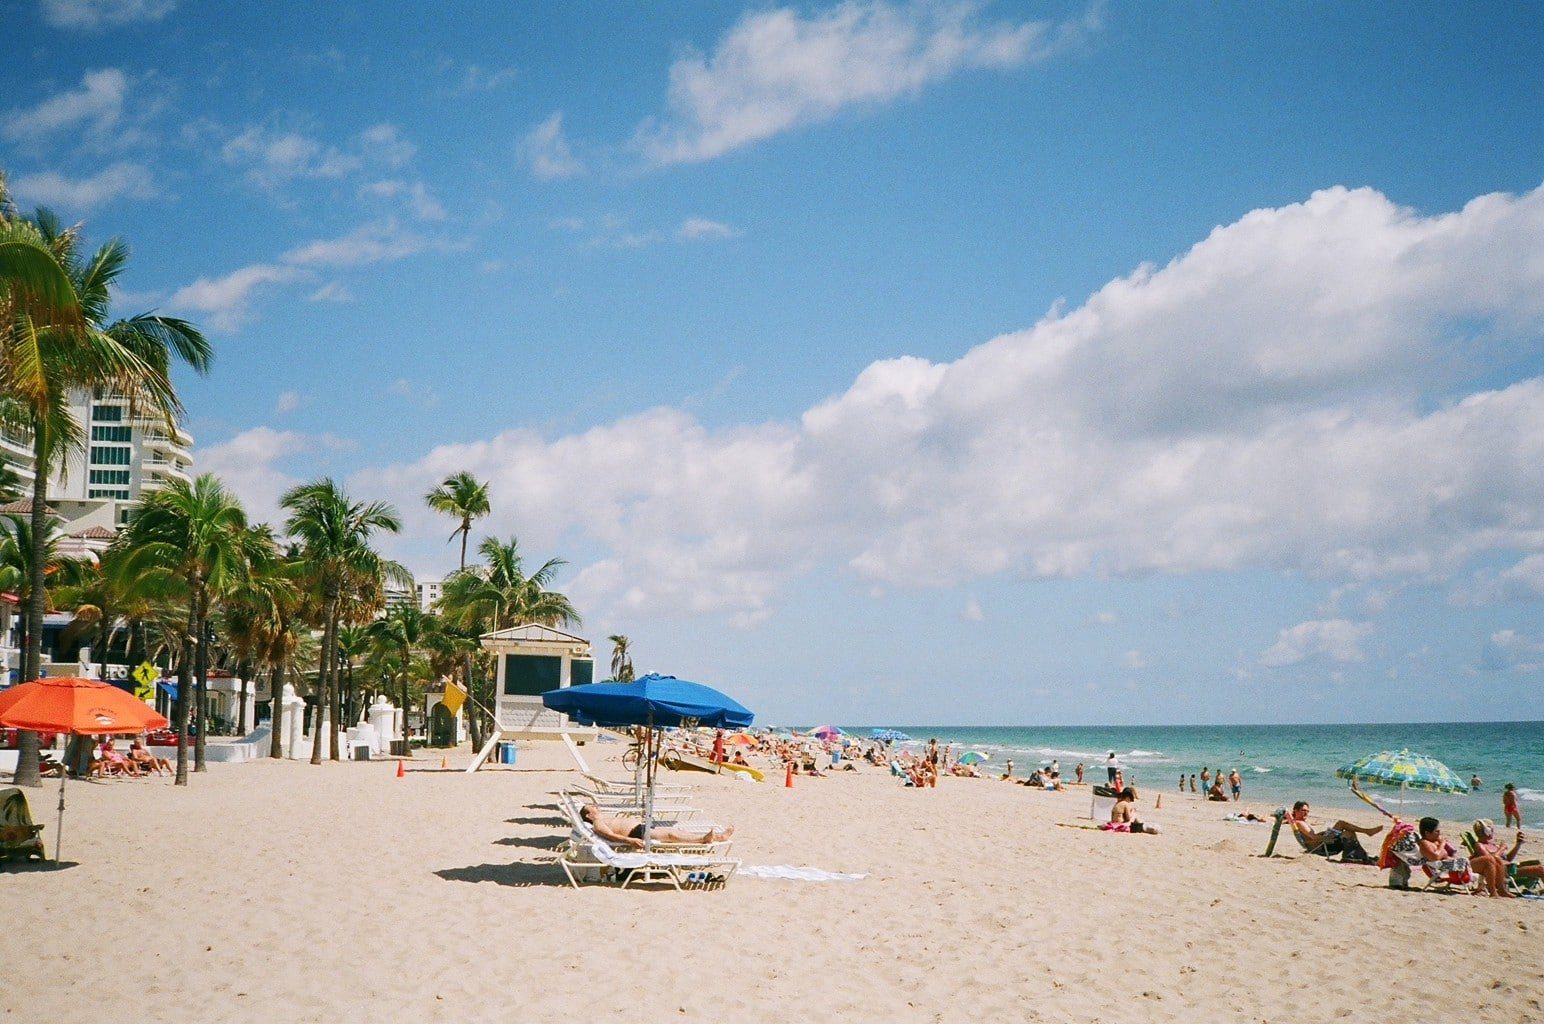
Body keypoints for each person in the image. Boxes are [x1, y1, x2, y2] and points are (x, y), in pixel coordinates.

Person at [578, 802, 734, 848]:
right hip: (636, 833)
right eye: (593, 808)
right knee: (671, 836)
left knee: (674, 831)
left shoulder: (601, 819)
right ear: (588, 815)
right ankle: (702, 840)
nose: (596, 807)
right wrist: (630, 841)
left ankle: (718, 837)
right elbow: (610, 836)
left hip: (640, 828)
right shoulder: (597, 823)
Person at [1287, 802, 1379, 862]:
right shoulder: (1300, 823)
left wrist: (1324, 833)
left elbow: (1310, 837)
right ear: (1296, 810)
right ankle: (1366, 832)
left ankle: (1355, 857)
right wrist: (1327, 837)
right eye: (1303, 810)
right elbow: (1313, 838)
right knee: (1341, 824)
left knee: (1349, 833)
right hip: (1322, 847)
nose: (1306, 813)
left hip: (1322, 844)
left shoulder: (1299, 822)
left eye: (1307, 811)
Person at [1471, 819, 1543, 892]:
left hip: (1510, 867)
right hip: (1505, 871)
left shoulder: (1492, 845)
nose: (1493, 832)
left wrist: (1518, 844)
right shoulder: (1480, 845)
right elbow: (1491, 860)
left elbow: (1508, 859)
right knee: (1541, 869)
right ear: (1487, 831)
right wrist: (1501, 849)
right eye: (1492, 829)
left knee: (1536, 863)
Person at [1417, 817, 1481, 889]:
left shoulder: (1433, 842)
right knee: (1487, 861)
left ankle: (1488, 888)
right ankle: (1489, 890)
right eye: (1436, 832)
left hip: (1453, 870)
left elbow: (1451, 854)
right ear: (1427, 833)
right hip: (1451, 873)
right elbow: (1435, 857)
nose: (1439, 834)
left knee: (1488, 860)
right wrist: (1442, 843)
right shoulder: (1424, 843)